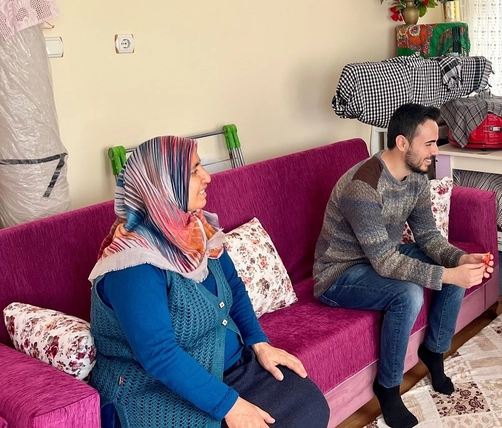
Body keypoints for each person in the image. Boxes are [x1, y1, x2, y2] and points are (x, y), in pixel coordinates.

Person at [88, 136, 329, 428]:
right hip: (159, 389)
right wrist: (229, 405)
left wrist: (259, 342)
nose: (207, 177)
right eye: (194, 171)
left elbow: (234, 287)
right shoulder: (132, 264)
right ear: (163, 185)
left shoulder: (196, 229)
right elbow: (159, 354)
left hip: (228, 367)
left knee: (308, 405)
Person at [313, 103, 494, 428]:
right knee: (408, 294)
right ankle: (388, 387)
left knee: (448, 263)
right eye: (429, 144)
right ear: (402, 143)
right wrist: (448, 274)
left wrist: (458, 260)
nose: (435, 151)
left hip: (380, 257)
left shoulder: (416, 177)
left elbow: (427, 236)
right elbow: (385, 262)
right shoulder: (363, 186)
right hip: (340, 274)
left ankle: (433, 351)